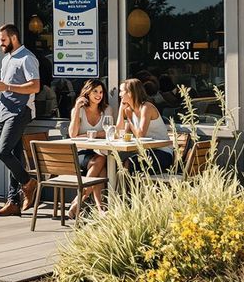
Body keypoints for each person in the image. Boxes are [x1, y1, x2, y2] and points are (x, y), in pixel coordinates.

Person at [0, 23, 41, 217]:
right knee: (13, 156)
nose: (0, 44)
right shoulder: (7, 58)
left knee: (3, 152)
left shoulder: (27, 58)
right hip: (5, 110)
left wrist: (6, 86)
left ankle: (29, 182)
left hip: (19, 111)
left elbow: (35, 86)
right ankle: (13, 202)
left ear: (14, 38)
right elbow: (7, 85)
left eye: (3, 40)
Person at [67, 78, 110, 217]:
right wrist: (76, 109)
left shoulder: (106, 110)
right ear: (87, 93)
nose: (99, 95)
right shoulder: (79, 110)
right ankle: (98, 208)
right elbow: (73, 134)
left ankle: (86, 204)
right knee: (100, 162)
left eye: (101, 92)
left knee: (101, 166)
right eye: (95, 91)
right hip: (80, 153)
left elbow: (109, 131)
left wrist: (89, 134)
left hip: (98, 151)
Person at [115, 77, 173, 171]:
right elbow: (119, 133)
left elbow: (140, 135)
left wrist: (129, 118)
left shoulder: (146, 107)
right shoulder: (129, 110)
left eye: (122, 91)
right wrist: (121, 110)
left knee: (130, 163)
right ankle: (122, 185)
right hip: (146, 151)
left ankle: (125, 186)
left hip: (163, 153)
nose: (119, 94)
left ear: (130, 93)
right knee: (117, 160)